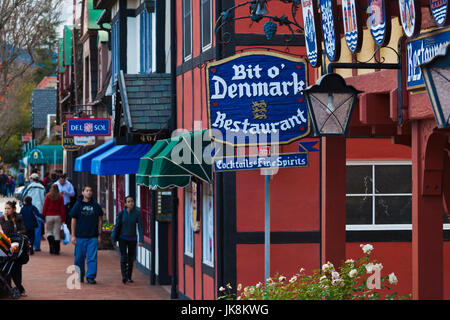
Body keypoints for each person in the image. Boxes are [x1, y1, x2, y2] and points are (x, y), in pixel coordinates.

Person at [70, 186, 103, 284]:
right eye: (87, 191)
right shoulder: (77, 205)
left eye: (90, 190)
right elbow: (73, 220)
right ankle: (79, 275)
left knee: (92, 258)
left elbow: (100, 220)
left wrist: (99, 234)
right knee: (79, 258)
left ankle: (91, 277)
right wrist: (73, 235)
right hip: (80, 237)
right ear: (83, 192)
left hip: (92, 236)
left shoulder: (96, 205)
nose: (89, 192)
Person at [111, 196, 144, 284]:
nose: (130, 203)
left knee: (131, 258)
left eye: (132, 201)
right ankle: (124, 276)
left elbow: (140, 227)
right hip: (122, 238)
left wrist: (141, 240)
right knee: (123, 257)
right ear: (125, 204)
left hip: (133, 238)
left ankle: (129, 276)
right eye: (128, 201)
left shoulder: (137, 213)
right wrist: (113, 238)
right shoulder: (121, 213)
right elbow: (116, 226)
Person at [0, 200, 27, 296]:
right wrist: (7, 220)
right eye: (5, 208)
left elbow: (24, 229)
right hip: (5, 246)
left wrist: (19, 233)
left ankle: (19, 287)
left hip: (17, 246)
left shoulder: (18, 218)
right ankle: (9, 288)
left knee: (16, 267)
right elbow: (7, 232)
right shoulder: (2, 219)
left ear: (14, 209)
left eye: (9, 208)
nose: (6, 210)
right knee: (7, 266)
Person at [20, 173, 45, 252]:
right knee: (37, 229)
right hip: (39, 209)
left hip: (29, 208)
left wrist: (22, 204)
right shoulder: (42, 187)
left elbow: (23, 196)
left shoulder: (29, 186)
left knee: (27, 229)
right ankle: (37, 246)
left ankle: (28, 245)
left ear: (32, 179)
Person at [42, 184, 65, 255]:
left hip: (49, 215)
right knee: (56, 232)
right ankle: (57, 249)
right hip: (58, 216)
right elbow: (62, 208)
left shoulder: (48, 196)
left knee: (49, 232)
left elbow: (45, 206)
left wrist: (43, 216)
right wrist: (63, 219)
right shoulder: (60, 197)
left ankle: (51, 247)